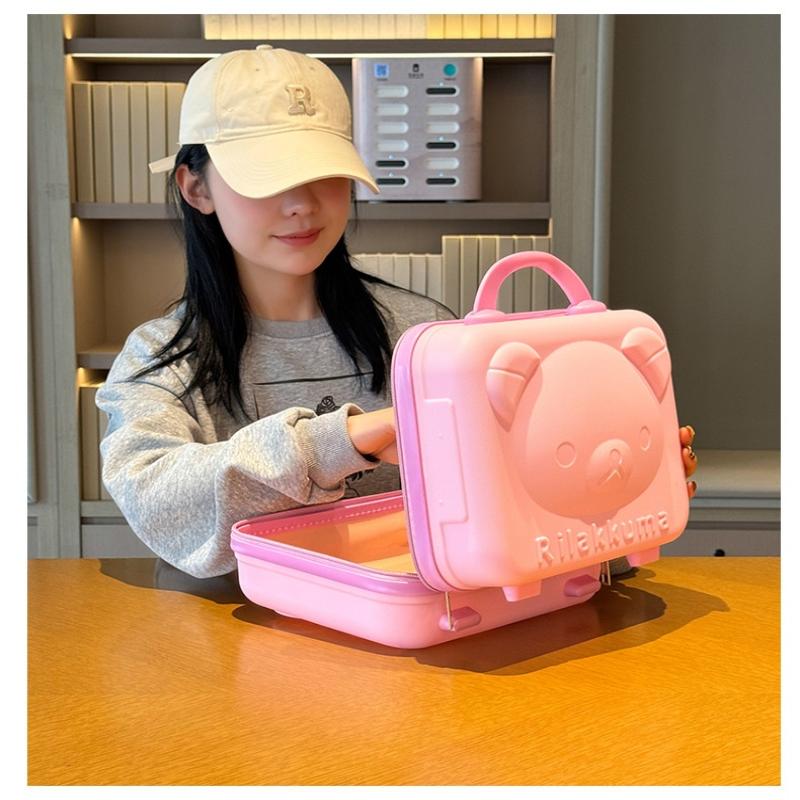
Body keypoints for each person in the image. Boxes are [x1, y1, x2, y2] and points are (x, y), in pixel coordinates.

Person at [97, 45, 698, 580]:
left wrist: (614, 492)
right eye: (268, 178)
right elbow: (154, 496)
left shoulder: (424, 333)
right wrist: (340, 440)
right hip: (232, 647)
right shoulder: (162, 356)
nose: (302, 204)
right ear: (196, 188)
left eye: (324, 173)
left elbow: (504, 504)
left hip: (415, 640)